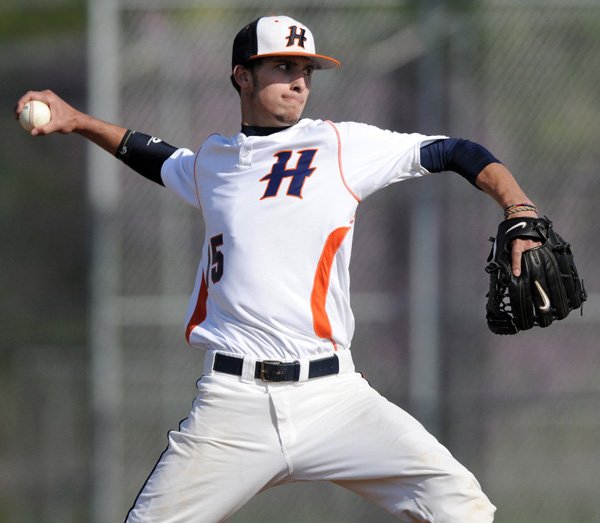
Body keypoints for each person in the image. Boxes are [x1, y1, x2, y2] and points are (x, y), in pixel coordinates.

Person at [15, 14, 541, 523]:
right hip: (233, 404)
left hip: (335, 397)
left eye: (306, 70)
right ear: (242, 75)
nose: (299, 82)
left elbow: (456, 150)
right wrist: (79, 121)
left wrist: (519, 210)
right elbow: (154, 156)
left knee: (460, 505)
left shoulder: (341, 145)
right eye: (283, 67)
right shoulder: (213, 163)